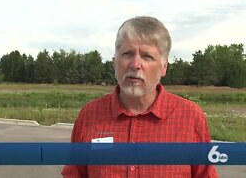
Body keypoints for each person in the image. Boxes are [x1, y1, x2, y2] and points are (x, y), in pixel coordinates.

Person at [62, 16, 218, 177]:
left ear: (164, 67)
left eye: (147, 56)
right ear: (115, 62)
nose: (135, 64)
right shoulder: (89, 116)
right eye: (127, 54)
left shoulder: (190, 118)